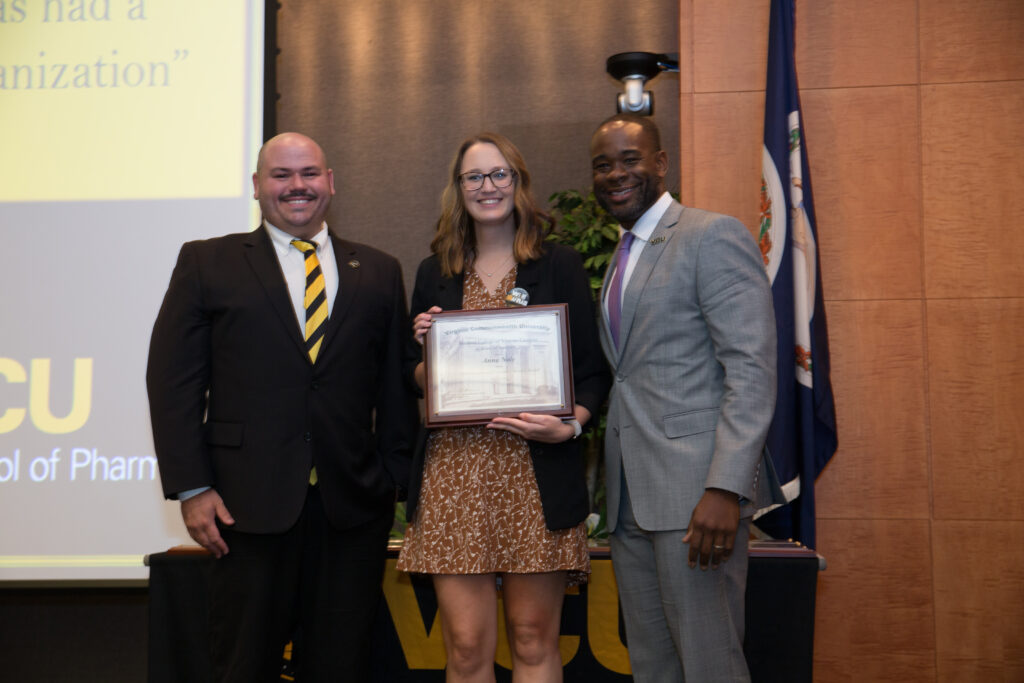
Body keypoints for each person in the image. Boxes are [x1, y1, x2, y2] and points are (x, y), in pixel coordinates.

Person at [146, 132, 417, 683]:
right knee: (244, 665)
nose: (297, 186)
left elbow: (394, 389)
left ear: (331, 183)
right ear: (257, 187)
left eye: (310, 173)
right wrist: (193, 488)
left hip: (351, 511)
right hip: (243, 508)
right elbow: (172, 382)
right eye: (281, 175)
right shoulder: (207, 262)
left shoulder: (381, 270)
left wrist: (394, 484)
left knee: (342, 666)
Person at [397, 132, 611, 682]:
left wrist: (569, 428)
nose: (487, 187)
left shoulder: (557, 264)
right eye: (474, 177)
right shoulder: (432, 272)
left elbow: (590, 371)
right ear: (458, 189)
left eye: (499, 175)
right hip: (455, 474)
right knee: (466, 648)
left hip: (534, 473)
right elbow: (417, 381)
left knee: (533, 639)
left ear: (518, 183)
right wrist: (426, 349)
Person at [591, 113, 779, 682]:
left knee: (709, 663)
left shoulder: (710, 235)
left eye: (630, 159)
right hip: (631, 502)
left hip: (698, 500)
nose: (615, 174)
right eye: (602, 165)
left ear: (661, 164)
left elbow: (751, 367)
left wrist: (725, 487)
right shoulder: (622, 258)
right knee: (654, 666)